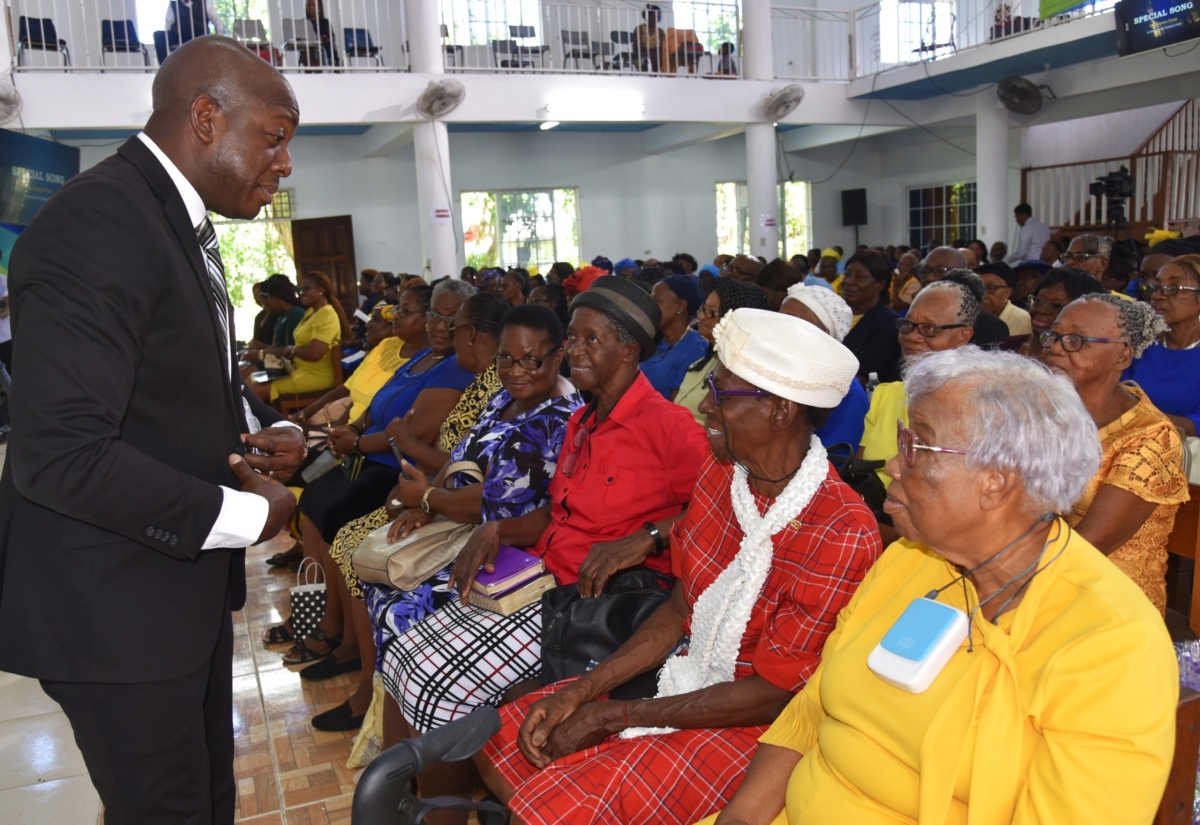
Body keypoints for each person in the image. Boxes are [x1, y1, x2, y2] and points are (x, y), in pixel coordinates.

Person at [0, 36, 305, 824]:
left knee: (199, 799)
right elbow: (62, 453)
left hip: (168, 588)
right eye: (274, 137)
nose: (284, 163)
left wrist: (258, 432)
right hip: (115, 610)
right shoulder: (101, 221)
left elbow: (164, 384)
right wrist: (250, 515)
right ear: (206, 118)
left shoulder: (165, 217)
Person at [701, 347, 1177, 825]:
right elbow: (810, 710)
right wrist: (738, 818)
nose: (891, 463)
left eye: (916, 446)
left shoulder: (1111, 646)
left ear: (996, 482)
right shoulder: (910, 563)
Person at [477, 309, 882, 825]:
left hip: (758, 729)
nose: (706, 406)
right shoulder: (722, 474)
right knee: (500, 742)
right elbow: (679, 607)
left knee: (557, 805)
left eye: (724, 394)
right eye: (711, 386)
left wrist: (618, 714)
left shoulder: (840, 529)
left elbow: (773, 695)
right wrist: (584, 691)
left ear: (781, 411)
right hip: (690, 673)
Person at [382, 276, 709, 743]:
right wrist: (500, 530)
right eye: (572, 337)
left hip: (592, 601)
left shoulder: (668, 427)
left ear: (629, 349)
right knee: (403, 653)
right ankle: (403, 795)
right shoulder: (581, 419)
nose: (574, 350)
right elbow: (556, 514)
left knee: (434, 689)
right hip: (540, 576)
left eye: (591, 339)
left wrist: (649, 537)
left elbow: (720, 508)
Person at [1041, 294, 1189, 612]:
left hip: (1110, 602)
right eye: (1053, 335)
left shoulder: (1150, 438)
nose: (1054, 347)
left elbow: (1090, 545)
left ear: (1122, 357)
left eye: (1075, 340)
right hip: (1035, 573)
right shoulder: (1043, 411)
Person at [858, 281, 977, 491]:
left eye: (929, 329)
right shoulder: (885, 395)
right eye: (907, 325)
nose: (912, 337)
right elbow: (859, 477)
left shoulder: (976, 407)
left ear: (963, 336)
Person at [781, 285, 869, 451]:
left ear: (824, 334)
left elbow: (835, 459)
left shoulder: (845, 390)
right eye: (780, 320)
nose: (781, 328)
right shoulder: (775, 369)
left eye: (792, 321)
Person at [676, 279, 771, 425]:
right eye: (703, 309)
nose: (701, 317)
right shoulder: (702, 362)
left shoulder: (741, 377)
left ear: (736, 320)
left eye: (711, 312)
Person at [1128, 253, 1200, 437]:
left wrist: (1133, 417)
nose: (1157, 295)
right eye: (1156, 287)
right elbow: (1114, 396)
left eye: (1172, 288)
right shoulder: (1141, 345)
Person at [257, 270, 351, 404]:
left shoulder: (327, 315)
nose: (302, 293)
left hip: (316, 376)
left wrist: (292, 350)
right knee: (253, 381)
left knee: (255, 390)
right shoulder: (311, 312)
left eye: (307, 289)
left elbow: (315, 353)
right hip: (299, 370)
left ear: (320, 290)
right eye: (301, 289)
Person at [641, 274, 709, 399]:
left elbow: (677, 406)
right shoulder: (655, 341)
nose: (649, 307)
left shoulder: (696, 350)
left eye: (656, 301)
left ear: (680, 306)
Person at [1012, 268, 1105, 358]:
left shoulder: (1080, 363)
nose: (1041, 310)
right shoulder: (1008, 345)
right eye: (1038, 301)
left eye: (1055, 306)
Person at [839, 249, 899, 384]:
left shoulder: (888, 324)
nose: (849, 281)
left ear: (880, 285)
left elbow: (865, 378)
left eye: (860, 277)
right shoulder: (835, 313)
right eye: (847, 275)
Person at [975, 261, 1032, 336]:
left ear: (1007, 293)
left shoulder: (1021, 319)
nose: (982, 295)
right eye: (979, 288)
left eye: (991, 288)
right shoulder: (970, 316)